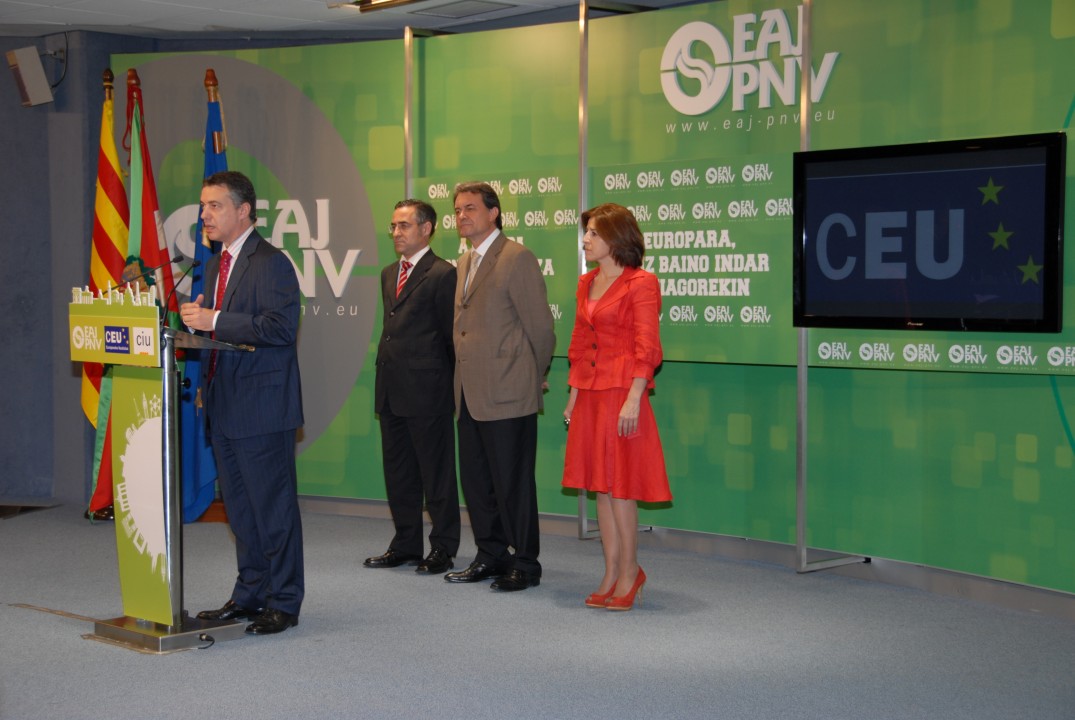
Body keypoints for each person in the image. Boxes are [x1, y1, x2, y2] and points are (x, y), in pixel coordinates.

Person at [179, 170, 305, 635]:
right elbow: (221, 331)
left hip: (262, 407)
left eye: (215, 206)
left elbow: (280, 329)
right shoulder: (215, 266)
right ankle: (251, 594)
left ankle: (284, 601)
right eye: (203, 206)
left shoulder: (270, 262)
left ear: (244, 210)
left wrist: (214, 319)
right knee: (241, 511)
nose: (205, 215)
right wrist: (198, 325)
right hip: (224, 404)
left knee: (273, 510)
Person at [445, 182, 556, 592]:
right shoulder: (464, 261)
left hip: (509, 391)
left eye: (470, 208)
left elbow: (541, 329)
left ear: (494, 213)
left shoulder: (516, 257)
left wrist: (531, 373)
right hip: (468, 393)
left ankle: (525, 563)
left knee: (513, 484)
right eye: (457, 210)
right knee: (477, 483)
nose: (462, 216)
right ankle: (491, 554)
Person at [562, 203, 671, 611]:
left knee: (621, 487)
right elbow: (579, 343)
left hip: (622, 393)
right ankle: (610, 572)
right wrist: (573, 396)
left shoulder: (641, 283)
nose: (586, 240)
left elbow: (648, 347)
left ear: (616, 237)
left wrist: (634, 397)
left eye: (594, 233)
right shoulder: (586, 282)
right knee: (600, 488)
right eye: (586, 232)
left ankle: (630, 571)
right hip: (590, 395)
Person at [364, 199, 460, 575]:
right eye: (393, 226)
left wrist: (447, 389)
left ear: (426, 229)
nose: (396, 233)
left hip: (428, 391)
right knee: (399, 472)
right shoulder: (389, 273)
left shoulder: (443, 274)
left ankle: (443, 547)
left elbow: (451, 339)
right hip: (391, 388)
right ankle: (405, 544)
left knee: (436, 474)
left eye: (404, 225)